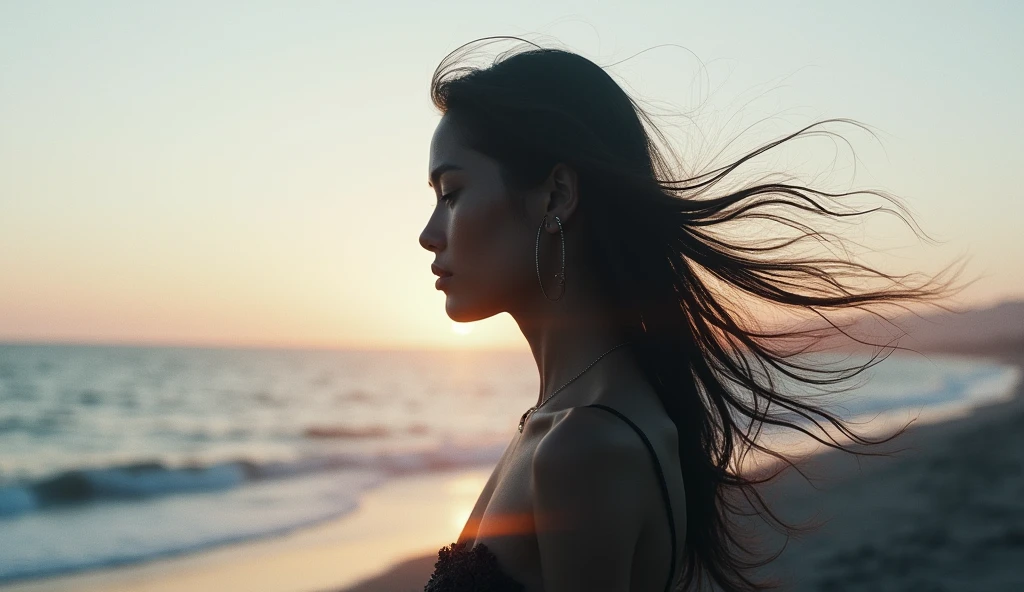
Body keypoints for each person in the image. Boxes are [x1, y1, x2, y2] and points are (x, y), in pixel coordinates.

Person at [417, 37, 961, 592]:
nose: (427, 234)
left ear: (556, 196)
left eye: (451, 192)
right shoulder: (564, 421)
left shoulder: (584, 447)